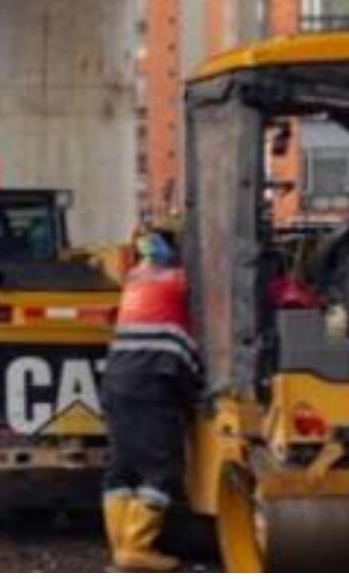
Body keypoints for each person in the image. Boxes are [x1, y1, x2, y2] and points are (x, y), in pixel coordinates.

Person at [100, 216, 200, 571]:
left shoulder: (137, 278)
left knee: (122, 468)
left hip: (116, 381)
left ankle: (121, 546)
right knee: (162, 470)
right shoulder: (180, 281)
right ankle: (136, 548)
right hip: (149, 384)